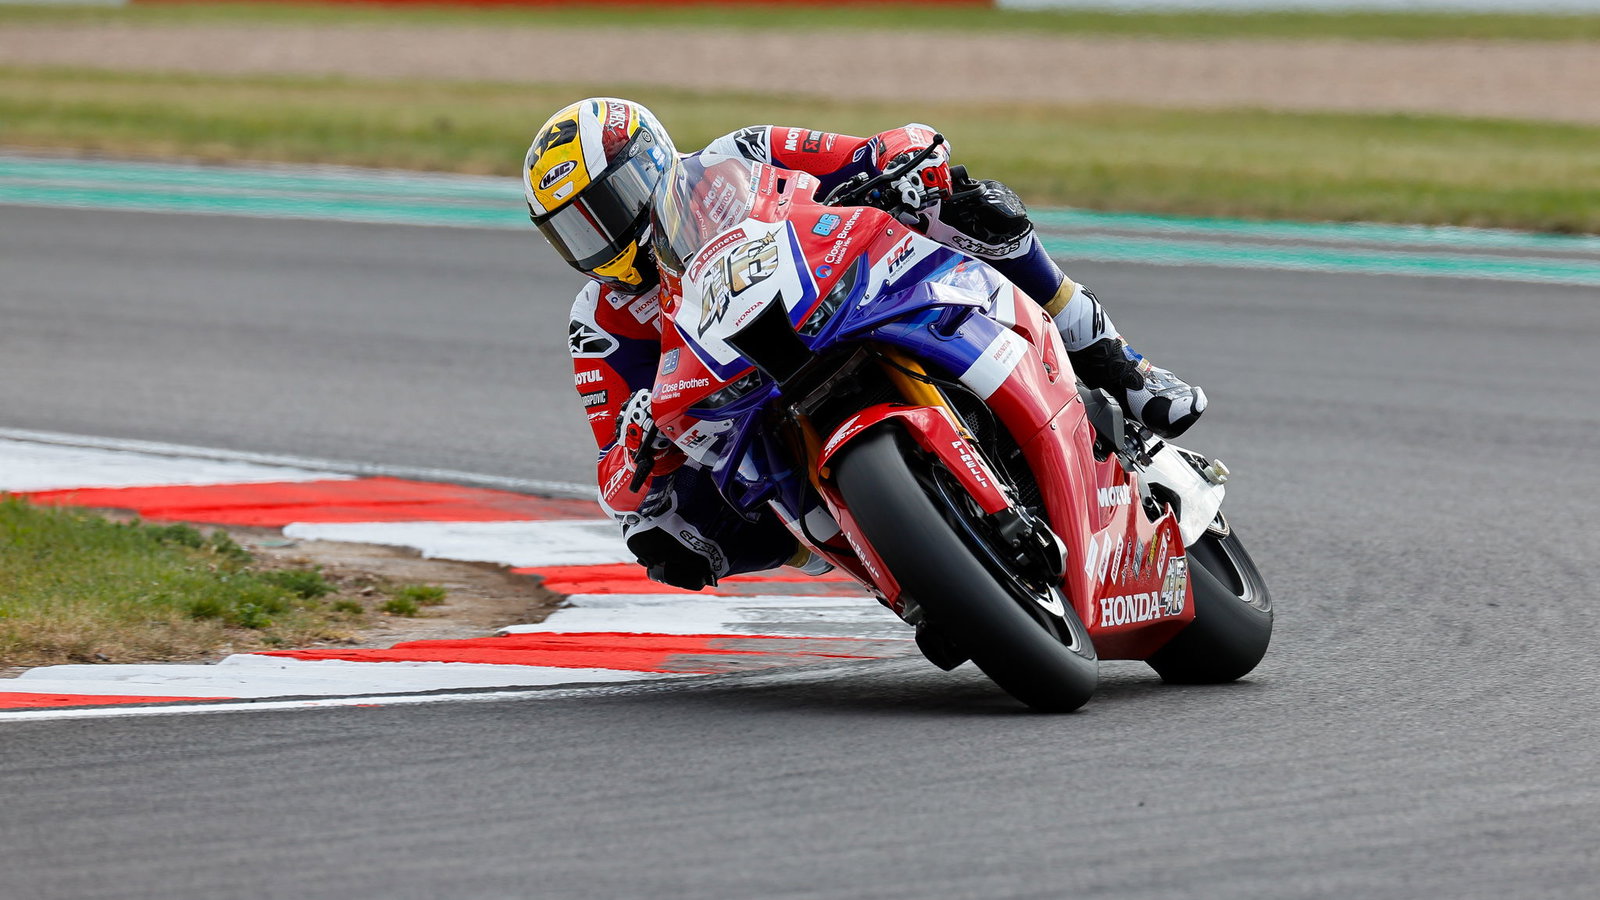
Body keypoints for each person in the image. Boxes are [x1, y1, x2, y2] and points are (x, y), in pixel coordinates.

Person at [525, 97, 1206, 590]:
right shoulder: (600, 321)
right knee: (659, 535)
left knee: (970, 205)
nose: (605, 243)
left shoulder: (739, 155)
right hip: (745, 403)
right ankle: (884, 560)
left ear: (648, 167)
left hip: (837, 292)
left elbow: (863, 154)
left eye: (606, 211)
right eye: (576, 234)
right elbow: (615, 479)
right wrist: (637, 445)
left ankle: (1121, 368)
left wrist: (902, 159)